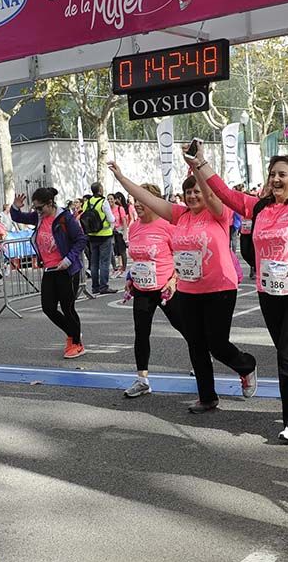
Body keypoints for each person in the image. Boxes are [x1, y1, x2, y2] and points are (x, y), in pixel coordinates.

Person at [110, 149, 258, 413]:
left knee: (217, 343)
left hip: (219, 288)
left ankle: (246, 366)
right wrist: (122, 178)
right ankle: (207, 397)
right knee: (196, 344)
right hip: (189, 290)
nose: (192, 196)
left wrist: (197, 166)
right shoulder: (179, 215)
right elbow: (148, 198)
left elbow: (212, 193)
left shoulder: (218, 213)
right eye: (188, 192)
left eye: (196, 192)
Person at [195, 154, 288, 442]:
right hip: (270, 292)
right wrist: (200, 163)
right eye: (272, 174)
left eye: (283, 174)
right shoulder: (259, 207)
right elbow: (224, 193)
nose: (276, 180)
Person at [118, 182, 185, 398]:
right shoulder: (135, 226)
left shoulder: (167, 225)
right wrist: (130, 277)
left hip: (166, 288)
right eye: (135, 200)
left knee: (184, 326)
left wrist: (175, 279)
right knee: (141, 332)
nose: (137, 205)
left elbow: (183, 257)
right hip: (142, 288)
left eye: (142, 201)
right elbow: (137, 258)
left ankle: (203, 358)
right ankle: (142, 380)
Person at [10, 188, 88, 358]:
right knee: (48, 308)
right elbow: (17, 217)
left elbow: (81, 239)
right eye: (35, 208)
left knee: (68, 308)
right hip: (49, 269)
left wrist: (68, 259)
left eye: (40, 208)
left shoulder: (65, 218)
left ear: (50, 203)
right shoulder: (38, 218)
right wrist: (15, 207)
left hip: (67, 269)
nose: (37, 211)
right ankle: (72, 332)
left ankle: (76, 343)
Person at [83, 182, 117, 294]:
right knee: (104, 262)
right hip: (104, 234)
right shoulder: (103, 202)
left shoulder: (87, 203)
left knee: (93, 262)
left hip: (92, 235)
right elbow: (111, 219)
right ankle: (104, 286)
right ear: (100, 190)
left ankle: (95, 286)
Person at [109, 192, 130, 278]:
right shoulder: (107, 209)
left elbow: (124, 221)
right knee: (114, 251)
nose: (110, 201)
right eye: (108, 199)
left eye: (111, 199)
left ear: (115, 200)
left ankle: (124, 269)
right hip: (111, 232)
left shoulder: (119, 208)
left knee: (122, 251)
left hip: (119, 232)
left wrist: (125, 232)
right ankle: (116, 268)